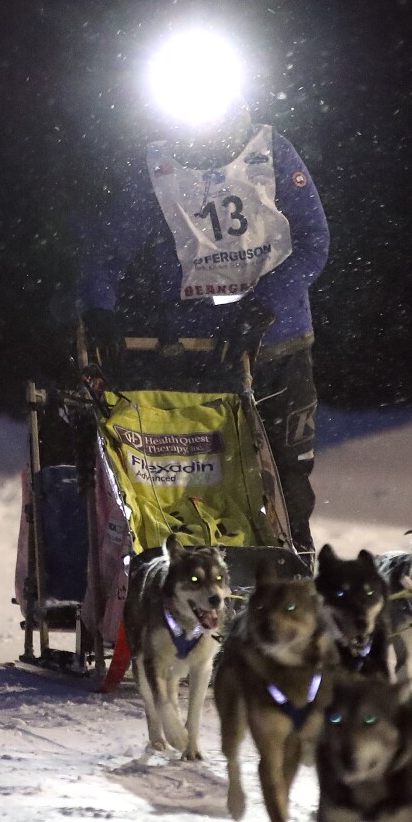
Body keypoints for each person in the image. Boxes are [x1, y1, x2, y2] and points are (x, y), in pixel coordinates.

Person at [77, 83, 330, 566]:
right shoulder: (155, 168)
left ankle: (295, 584)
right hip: (198, 355)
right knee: (206, 481)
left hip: (279, 347)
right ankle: (193, 581)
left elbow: (314, 240)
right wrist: (98, 308)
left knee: (288, 480)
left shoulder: (273, 151)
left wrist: (266, 305)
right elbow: (107, 253)